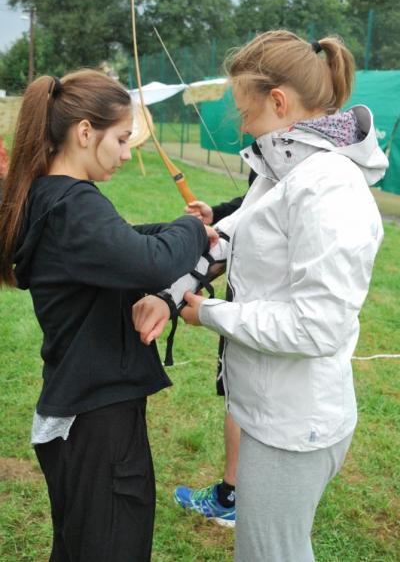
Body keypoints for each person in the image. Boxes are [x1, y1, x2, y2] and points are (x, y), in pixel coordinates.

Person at [133, 30, 388, 561]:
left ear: (278, 102)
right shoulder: (282, 169)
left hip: (295, 426)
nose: (242, 126)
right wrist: (170, 290)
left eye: (245, 111)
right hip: (271, 414)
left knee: (270, 554)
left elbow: (319, 327)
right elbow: (228, 238)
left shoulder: (328, 186)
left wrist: (211, 314)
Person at [0, 70, 217, 562]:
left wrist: (183, 234)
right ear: (83, 132)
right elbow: (150, 260)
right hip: (97, 423)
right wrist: (190, 228)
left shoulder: (49, 198)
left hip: (82, 413)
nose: (125, 152)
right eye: (120, 139)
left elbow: (130, 243)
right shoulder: (73, 206)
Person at [173, 170, 257, 528]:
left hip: (255, 306)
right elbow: (255, 201)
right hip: (251, 300)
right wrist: (218, 214)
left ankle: (231, 498)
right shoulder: (280, 149)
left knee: (241, 392)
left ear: (279, 108)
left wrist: (208, 311)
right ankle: (243, 495)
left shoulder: (298, 153)